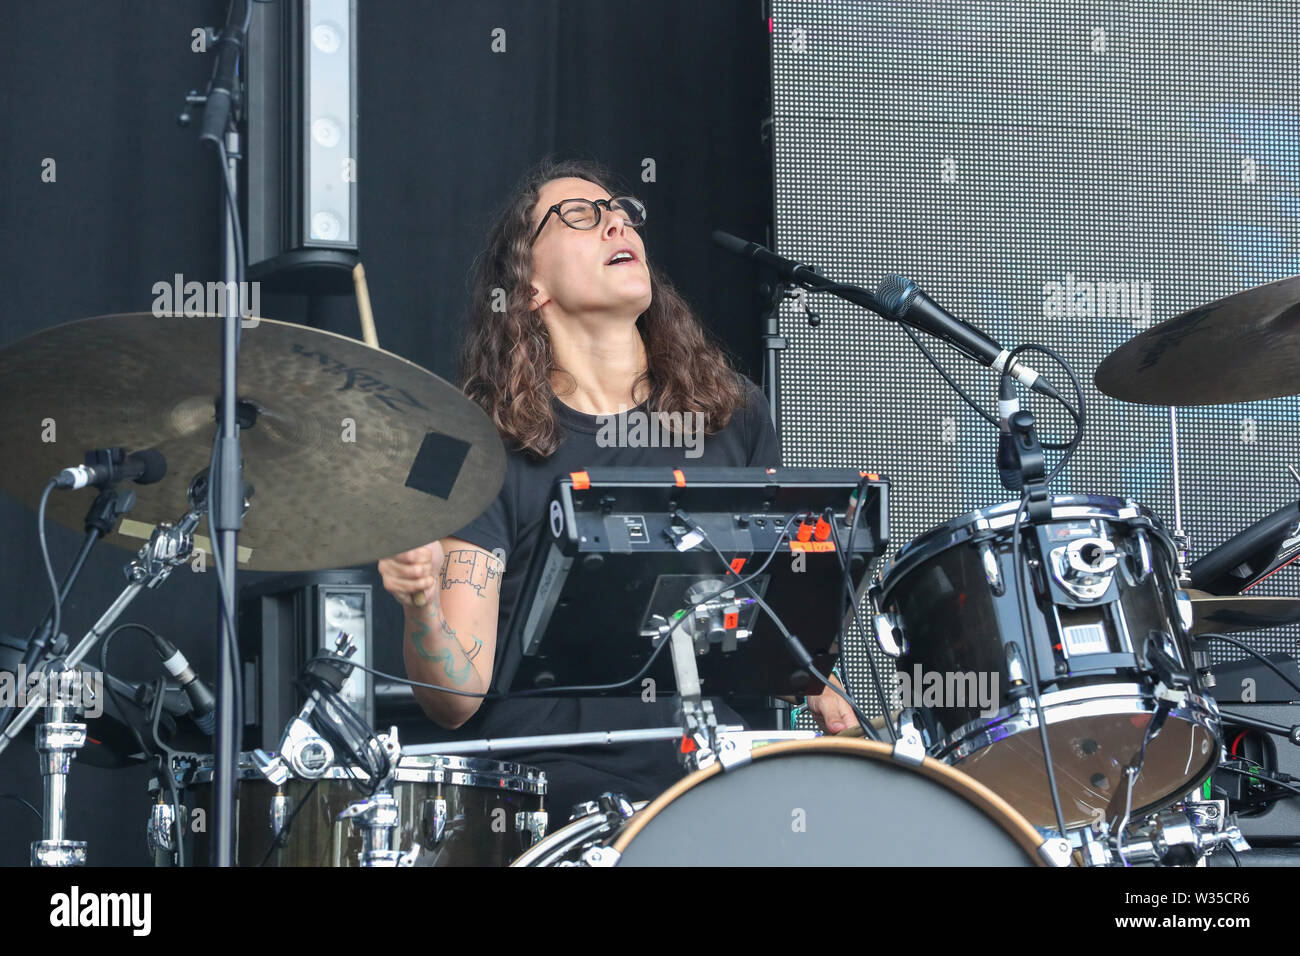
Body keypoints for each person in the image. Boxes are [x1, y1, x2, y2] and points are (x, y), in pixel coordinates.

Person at [378, 159, 854, 815]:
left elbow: (767, 613)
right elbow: (457, 699)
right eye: (580, 214)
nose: (616, 219)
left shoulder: (733, 412)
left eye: (622, 209)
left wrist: (809, 676)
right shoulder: (471, 444)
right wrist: (423, 607)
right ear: (528, 287)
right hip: (557, 800)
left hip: (715, 785)